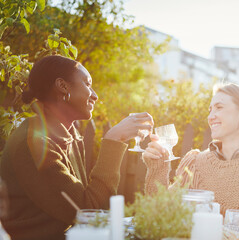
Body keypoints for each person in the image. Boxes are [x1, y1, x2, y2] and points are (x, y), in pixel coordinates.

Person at [0, 55, 153, 240]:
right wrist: (113, 140)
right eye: (88, 84)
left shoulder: (65, 134)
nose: (95, 95)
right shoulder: (35, 142)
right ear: (63, 87)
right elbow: (88, 213)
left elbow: (86, 206)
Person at [143, 83, 239, 240]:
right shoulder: (196, 162)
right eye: (210, 110)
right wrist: (157, 168)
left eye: (219, 107)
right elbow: (161, 213)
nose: (210, 116)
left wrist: (201, 221)